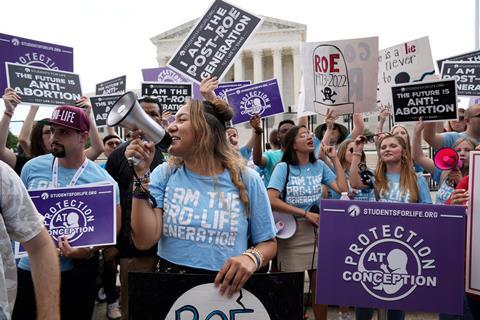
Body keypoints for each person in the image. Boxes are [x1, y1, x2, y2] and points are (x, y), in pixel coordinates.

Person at [125, 97, 277, 298]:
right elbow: (144, 241)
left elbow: (268, 243)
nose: (171, 128)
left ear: (206, 129)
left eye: (181, 120)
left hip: (226, 291)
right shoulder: (164, 173)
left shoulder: (247, 178)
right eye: (173, 121)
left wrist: (251, 258)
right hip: (172, 290)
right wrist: (141, 174)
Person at [14, 105, 121, 320]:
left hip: (77, 272)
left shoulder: (103, 180)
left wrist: (88, 250)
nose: (54, 137)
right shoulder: (31, 168)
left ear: (83, 137)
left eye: (64, 132)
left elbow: (112, 226)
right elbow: (18, 214)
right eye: (53, 130)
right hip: (31, 267)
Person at [267, 125, 348, 320]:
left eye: (310, 134)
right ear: (293, 144)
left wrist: (334, 158)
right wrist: (304, 214)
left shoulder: (319, 166)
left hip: (318, 231)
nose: (310, 137)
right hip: (292, 232)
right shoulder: (283, 168)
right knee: (292, 287)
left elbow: (342, 188)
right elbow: (271, 199)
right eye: (303, 135)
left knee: (319, 286)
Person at [350, 133, 432, 320]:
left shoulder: (417, 179)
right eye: (383, 147)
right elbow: (354, 183)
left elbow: (428, 212)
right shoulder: (374, 178)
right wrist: (357, 152)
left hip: (402, 248)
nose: (387, 149)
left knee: (396, 300)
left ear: (403, 152)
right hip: (375, 246)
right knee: (365, 299)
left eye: (393, 146)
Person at [105, 95, 169, 320]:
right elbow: (110, 201)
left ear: (161, 121)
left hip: (170, 248)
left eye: (153, 115)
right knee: (134, 308)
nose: (147, 120)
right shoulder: (117, 156)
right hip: (132, 249)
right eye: (142, 114)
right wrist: (112, 244)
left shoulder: (174, 152)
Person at [0, 160, 60, 320]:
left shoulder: (2, 174)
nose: (54, 137)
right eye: (50, 132)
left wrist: (50, 315)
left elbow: (40, 244)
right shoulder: (31, 167)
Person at [1, 88, 105, 174]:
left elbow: (98, 148)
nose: (54, 136)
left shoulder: (72, 160)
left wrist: (87, 115)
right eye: (49, 131)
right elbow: (22, 139)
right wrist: (9, 111)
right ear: (38, 138)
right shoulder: (28, 165)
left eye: (63, 132)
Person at [412, 120, 476, 204]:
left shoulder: (476, 180)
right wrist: (417, 132)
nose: (462, 153)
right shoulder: (444, 172)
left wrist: (461, 183)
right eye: (458, 150)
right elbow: (419, 157)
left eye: (467, 150)